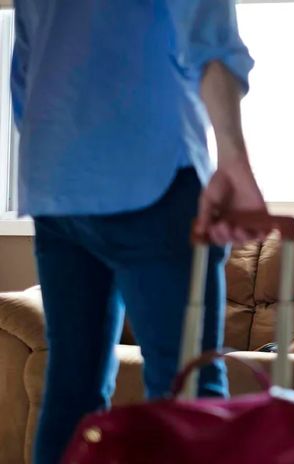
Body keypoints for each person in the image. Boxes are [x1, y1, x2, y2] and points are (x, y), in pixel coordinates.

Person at [10, 1, 268, 463]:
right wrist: (233, 159)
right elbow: (209, 36)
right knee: (190, 390)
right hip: (152, 173)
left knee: (71, 394)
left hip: (55, 180)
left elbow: (25, 70)